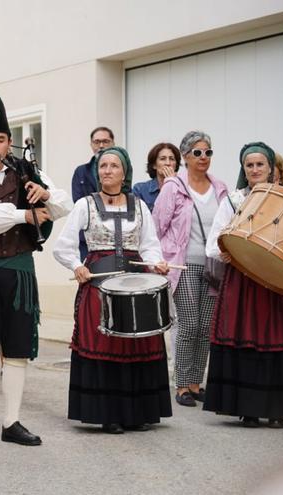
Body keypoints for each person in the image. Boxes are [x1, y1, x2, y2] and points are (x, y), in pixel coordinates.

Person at [0, 91, 72, 449]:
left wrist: (44, 194)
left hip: (20, 270)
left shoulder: (27, 172)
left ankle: (11, 421)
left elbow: (64, 204)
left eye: (1, 140)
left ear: (9, 142)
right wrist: (26, 214)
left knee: (18, 348)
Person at [203, 142, 283, 427]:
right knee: (247, 342)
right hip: (242, 283)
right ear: (243, 170)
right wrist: (229, 251)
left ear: (272, 168)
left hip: (277, 283)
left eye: (260, 165)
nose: (254, 169)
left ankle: (279, 409)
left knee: (279, 341)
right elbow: (212, 246)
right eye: (249, 165)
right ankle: (249, 408)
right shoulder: (233, 201)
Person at [53, 146, 172, 433]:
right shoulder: (85, 204)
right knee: (105, 343)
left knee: (137, 342)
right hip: (98, 283)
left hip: (136, 281)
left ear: (124, 172)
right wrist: (76, 266)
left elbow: (149, 244)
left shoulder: (140, 205)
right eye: (103, 166)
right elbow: (62, 246)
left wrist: (157, 263)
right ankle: (109, 414)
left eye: (114, 166)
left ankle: (139, 413)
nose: (108, 170)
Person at [152, 130, 228, 407]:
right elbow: (157, 226)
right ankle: (182, 384)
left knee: (206, 326)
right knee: (188, 323)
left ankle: (197, 383)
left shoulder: (220, 188)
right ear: (185, 156)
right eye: (197, 152)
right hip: (180, 264)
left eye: (208, 152)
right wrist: (158, 260)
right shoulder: (173, 187)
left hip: (214, 266)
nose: (203, 157)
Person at [71, 126, 115, 260]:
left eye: (105, 141)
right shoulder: (81, 172)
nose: (101, 145)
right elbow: (79, 202)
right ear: (91, 145)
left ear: (113, 143)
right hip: (87, 239)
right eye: (97, 142)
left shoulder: (121, 171)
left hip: (115, 237)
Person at [132, 142, 181, 211]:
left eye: (172, 159)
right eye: (163, 159)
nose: (168, 163)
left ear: (176, 165)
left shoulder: (183, 189)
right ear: (154, 165)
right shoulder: (140, 189)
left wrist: (172, 184)